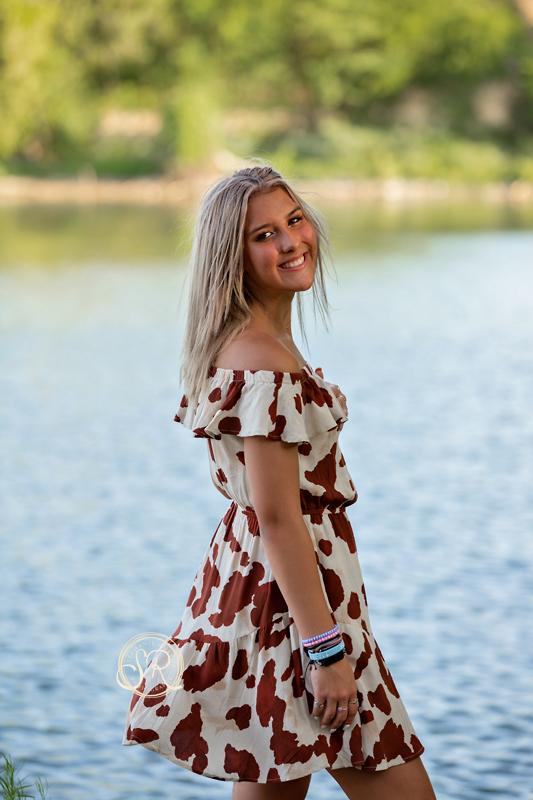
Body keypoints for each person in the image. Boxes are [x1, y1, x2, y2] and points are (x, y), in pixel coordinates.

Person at [123, 165, 436, 800]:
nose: (291, 241)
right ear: (231, 258)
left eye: (294, 220)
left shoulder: (260, 346)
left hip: (276, 596)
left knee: (274, 781)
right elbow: (279, 516)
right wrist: (327, 652)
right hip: (293, 612)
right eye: (264, 234)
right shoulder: (261, 359)